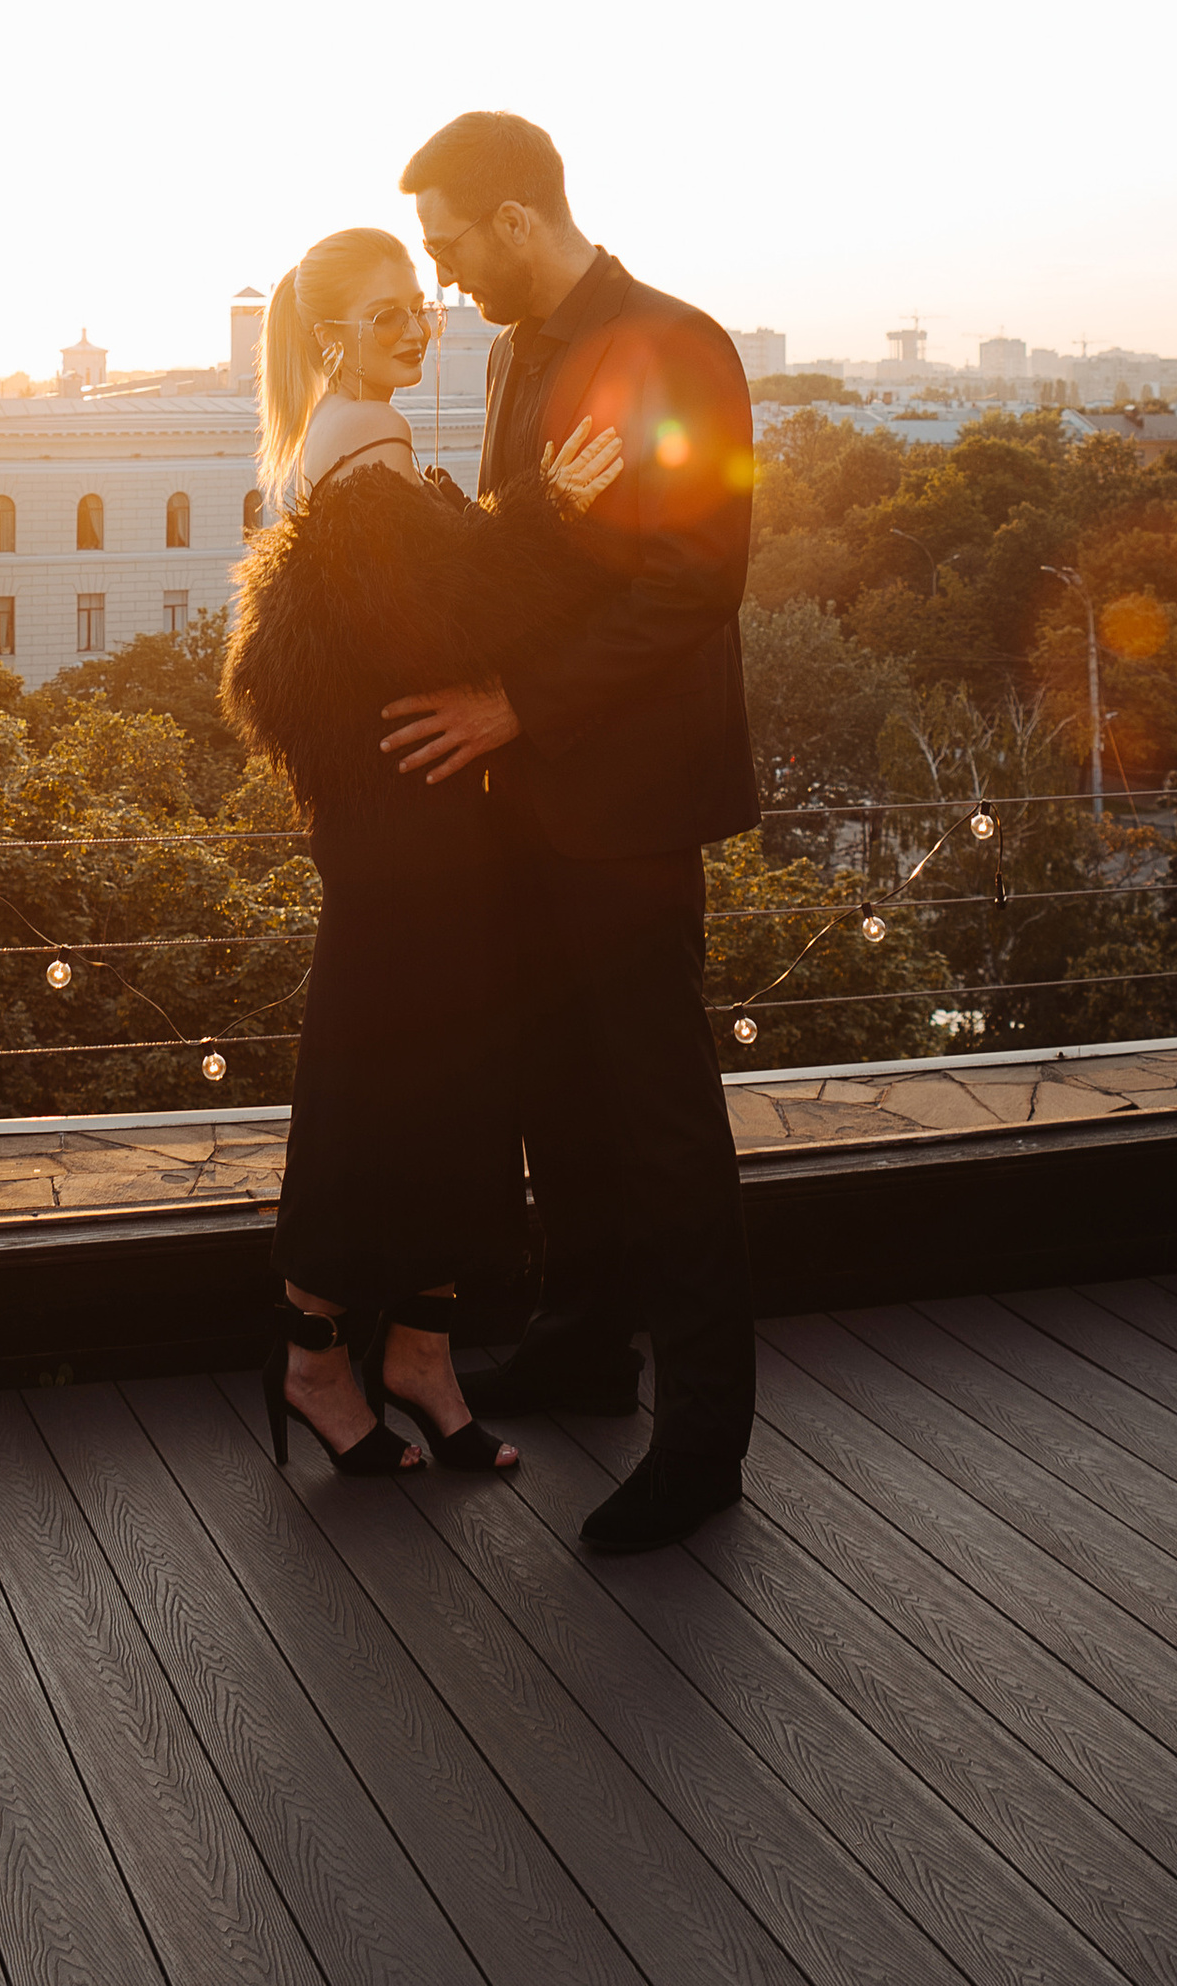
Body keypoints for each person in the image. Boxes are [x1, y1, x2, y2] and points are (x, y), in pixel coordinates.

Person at [391, 108, 759, 1556]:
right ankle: (584, 1345)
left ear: (519, 219)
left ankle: (706, 1441)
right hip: (534, 794)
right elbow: (524, 554)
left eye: (451, 247)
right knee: (560, 1092)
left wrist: (512, 707)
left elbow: (689, 585)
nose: (446, 280)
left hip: (629, 801)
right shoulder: (512, 351)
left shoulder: (678, 347)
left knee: (662, 1121)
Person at [223, 224, 623, 1481]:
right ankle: (325, 1365)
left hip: (402, 824)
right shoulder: (367, 443)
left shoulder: (339, 437)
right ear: (338, 329)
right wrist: (554, 509)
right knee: (385, 1087)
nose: (419, 327)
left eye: (422, 310)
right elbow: (445, 618)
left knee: (430, 1081)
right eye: (391, 311)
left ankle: (406, 1357)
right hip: (410, 832)